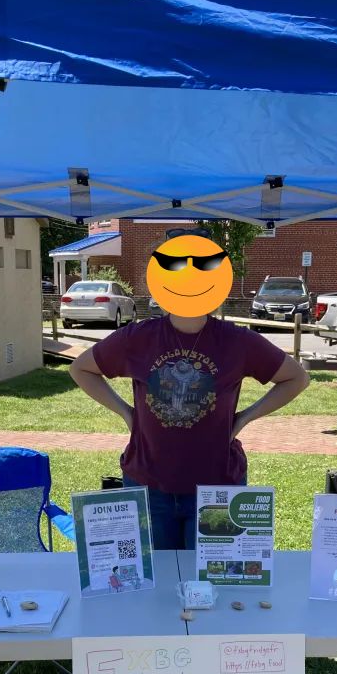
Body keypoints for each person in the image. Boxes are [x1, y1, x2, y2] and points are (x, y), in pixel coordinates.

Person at [69, 228, 310, 549]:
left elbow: (296, 378)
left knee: (212, 591)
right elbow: (81, 369)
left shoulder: (238, 341)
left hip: (217, 488)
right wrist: (128, 415)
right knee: (158, 589)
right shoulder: (138, 338)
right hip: (148, 485)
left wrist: (243, 419)